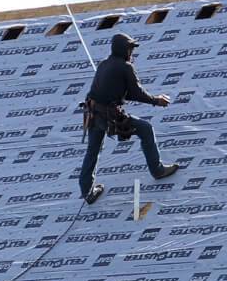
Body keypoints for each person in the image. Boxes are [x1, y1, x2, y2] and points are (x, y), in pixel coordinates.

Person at [77, 34, 183, 205]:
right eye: (130, 48)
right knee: (145, 129)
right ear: (123, 49)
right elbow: (136, 93)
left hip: (92, 113)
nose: (131, 52)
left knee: (93, 149)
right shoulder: (125, 67)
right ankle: (157, 170)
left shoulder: (104, 64)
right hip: (107, 114)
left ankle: (87, 191)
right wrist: (156, 100)